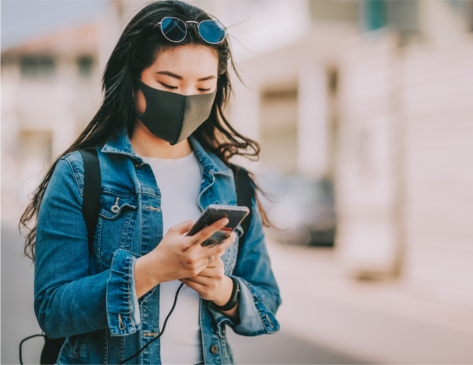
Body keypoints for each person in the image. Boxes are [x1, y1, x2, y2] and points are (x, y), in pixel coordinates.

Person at [19, 1, 281, 364]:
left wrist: (224, 291)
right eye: (169, 84)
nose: (187, 98)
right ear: (132, 81)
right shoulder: (80, 175)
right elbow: (53, 311)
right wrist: (151, 270)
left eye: (204, 85)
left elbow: (267, 300)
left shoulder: (232, 183)